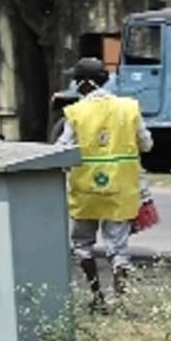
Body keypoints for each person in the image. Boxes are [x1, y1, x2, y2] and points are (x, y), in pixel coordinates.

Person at [56, 57, 149, 308]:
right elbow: (147, 143)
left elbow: (61, 149)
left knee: (83, 245)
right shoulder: (129, 108)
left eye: (77, 81)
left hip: (85, 190)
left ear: (86, 83)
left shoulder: (75, 113)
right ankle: (119, 299)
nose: (75, 85)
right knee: (118, 248)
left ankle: (96, 297)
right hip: (120, 189)